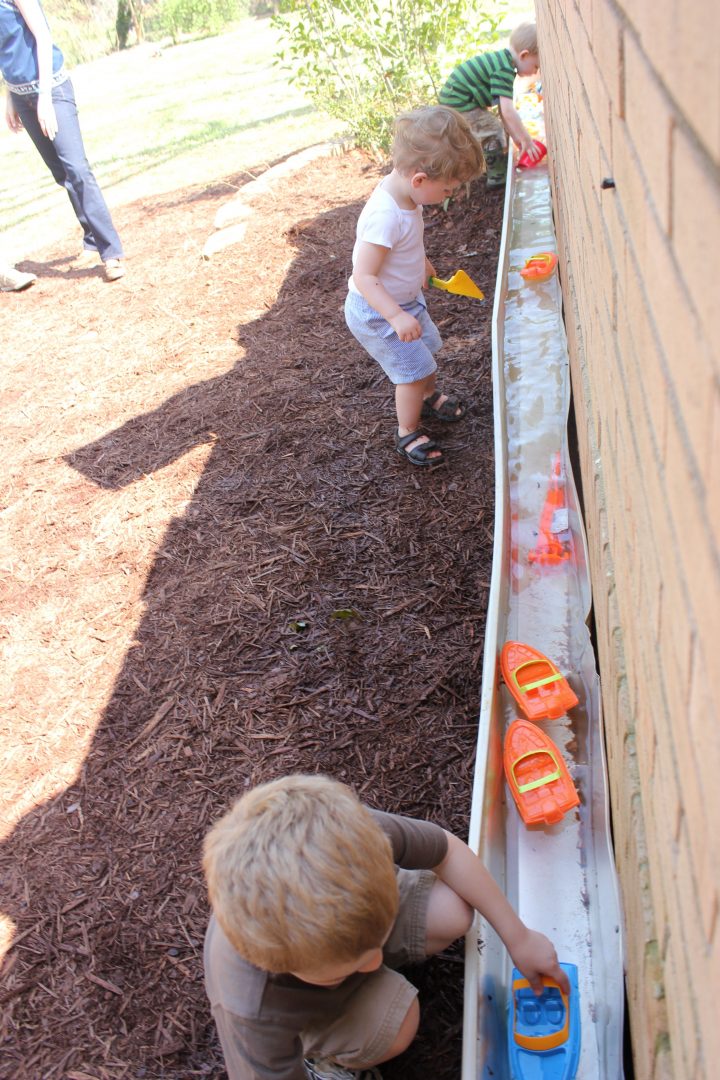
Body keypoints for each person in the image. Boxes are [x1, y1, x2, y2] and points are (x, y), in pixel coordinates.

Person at [203, 774, 570, 1080]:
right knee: (397, 1024)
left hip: (325, 945)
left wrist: (517, 937)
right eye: (353, 964)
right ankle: (322, 1058)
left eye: (375, 947)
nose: (374, 962)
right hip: (303, 1008)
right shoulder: (251, 1010)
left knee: (454, 910)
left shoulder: (344, 833)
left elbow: (447, 851)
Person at [344, 105, 484, 468]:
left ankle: (428, 394)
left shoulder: (408, 194)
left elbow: (405, 243)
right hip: (378, 311)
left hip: (405, 299)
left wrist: (420, 262)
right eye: (448, 189)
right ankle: (407, 431)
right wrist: (394, 316)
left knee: (428, 350)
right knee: (411, 371)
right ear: (420, 180)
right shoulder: (383, 216)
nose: (450, 196)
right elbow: (364, 276)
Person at [0, 0, 125, 281]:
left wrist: (44, 97)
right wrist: (10, 95)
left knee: (78, 169)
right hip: (21, 96)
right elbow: (6, 49)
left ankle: (111, 252)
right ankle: (91, 240)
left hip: (51, 89)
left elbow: (42, 37)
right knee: (62, 173)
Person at [438, 21, 541, 189]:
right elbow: (508, 111)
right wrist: (527, 140)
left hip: (456, 99)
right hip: (459, 102)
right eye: (535, 66)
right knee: (492, 131)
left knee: (492, 128)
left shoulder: (502, 60)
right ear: (524, 55)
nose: (535, 72)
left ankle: (490, 162)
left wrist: (516, 137)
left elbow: (503, 110)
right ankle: (497, 176)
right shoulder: (504, 70)